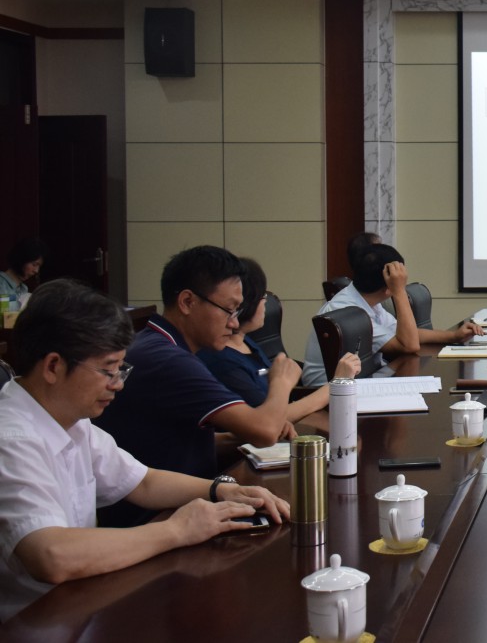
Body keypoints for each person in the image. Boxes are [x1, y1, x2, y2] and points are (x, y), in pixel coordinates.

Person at [0, 280, 289, 621]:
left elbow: (143, 482)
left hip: (83, 603)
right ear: (53, 366)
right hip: (36, 623)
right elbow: (51, 556)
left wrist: (223, 490)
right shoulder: (12, 438)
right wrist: (176, 530)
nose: (117, 384)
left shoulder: (70, 419)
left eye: (120, 370)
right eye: (108, 370)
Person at [94, 246, 301, 525]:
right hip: (156, 518)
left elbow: (175, 440)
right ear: (187, 302)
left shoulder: (163, 344)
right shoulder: (165, 358)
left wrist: (236, 439)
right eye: (228, 310)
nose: (234, 323)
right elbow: (264, 431)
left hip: (183, 503)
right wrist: (281, 382)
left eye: (237, 311)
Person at [301, 243, 485, 386]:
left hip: (357, 383)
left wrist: (453, 336)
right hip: (325, 393)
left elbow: (405, 334)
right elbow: (409, 344)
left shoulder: (366, 301)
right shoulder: (349, 310)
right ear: (388, 284)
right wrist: (399, 291)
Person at [198, 257, 360, 419]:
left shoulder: (245, 341)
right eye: (262, 296)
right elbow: (268, 421)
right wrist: (337, 383)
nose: (265, 303)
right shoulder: (224, 362)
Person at [0, 238, 48, 302]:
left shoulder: (23, 289)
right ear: (22, 259)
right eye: (34, 264)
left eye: (39, 266)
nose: (36, 271)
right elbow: (4, 307)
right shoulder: (2, 284)